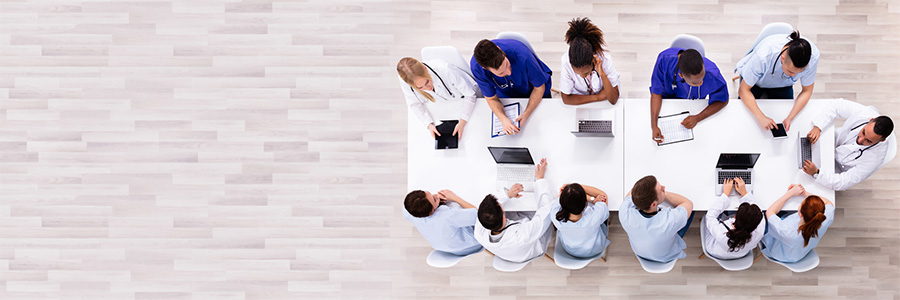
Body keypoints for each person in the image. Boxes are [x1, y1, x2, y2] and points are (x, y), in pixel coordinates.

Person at [736, 30, 820, 131]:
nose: (795, 76)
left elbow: (807, 91)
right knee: (744, 119)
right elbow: (743, 90)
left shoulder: (813, 57)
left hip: (783, 85)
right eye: (790, 71)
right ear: (782, 58)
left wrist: (790, 118)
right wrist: (761, 117)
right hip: (756, 83)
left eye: (800, 72)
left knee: (784, 114)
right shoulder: (764, 55)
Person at [803, 99, 894, 191]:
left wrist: (816, 173)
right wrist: (818, 126)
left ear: (882, 140)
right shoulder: (865, 113)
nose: (860, 139)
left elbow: (843, 182)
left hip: (838, 166)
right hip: (833, 140)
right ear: (870, 120)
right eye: (863, 132)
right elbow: (837, 106)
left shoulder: (874, 159)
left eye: (868, 141)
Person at [475, 158, 553, 263]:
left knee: (518, 209)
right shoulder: (522, 236)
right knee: (546, 209)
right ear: (503, 216)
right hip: (532, 247)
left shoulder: (479, 231)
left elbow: (484, 207)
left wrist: (507, 194)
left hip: (510, 251)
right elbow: (545, 212)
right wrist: (539, 179)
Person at [471, 39, 553, 135]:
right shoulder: (477, 68)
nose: (508, 72)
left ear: (500, 50)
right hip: (508, 94)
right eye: (501, 73)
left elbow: (539, 87)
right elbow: (492, 98)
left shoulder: (523, 56)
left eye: (506, 64)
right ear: (484, 68)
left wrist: (526, 114)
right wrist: (503, 119)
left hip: (535, 90)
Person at [649, 48, 729, 143]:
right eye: (695, 83)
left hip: (694, 107)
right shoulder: (664, 60)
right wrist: (654, 126)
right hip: (667, 105)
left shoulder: (712, 73)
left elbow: (723, 100)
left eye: (702, 76)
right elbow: (656, 93)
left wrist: (698, 118)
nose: (701, 83)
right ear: (681, 76)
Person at [397, 57, 478, 139]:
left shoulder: (445, 69)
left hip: (464, 99)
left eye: (427, 82)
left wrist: (462, 122)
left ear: (425, 69)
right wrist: (429, 124)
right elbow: (414, 104)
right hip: (444, 106)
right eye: (420, 87)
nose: (428, 88)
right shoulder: (405, 80)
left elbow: (470, 95)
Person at [619, 175, 695, 262]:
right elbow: (688, 203)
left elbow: (632, 193)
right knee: (691, 211)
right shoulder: (669, 221)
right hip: (666, 256)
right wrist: (662, 196)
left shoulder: (624, 213)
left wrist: (655, 195)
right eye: (661, 189)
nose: (664, 187)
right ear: (653, 204)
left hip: (640, 253)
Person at [761, 184, 835, 263]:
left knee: (762, 213)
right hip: (800, 253)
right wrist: (804, 193)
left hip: (780, 254)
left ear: (800, 214)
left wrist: (790, 193)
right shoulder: (825, 217)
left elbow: (770, 212)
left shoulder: (786, 230)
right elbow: (828, 202)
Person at [559, 17, 620, 105]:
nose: (582, 77)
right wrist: (597, 97)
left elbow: (613, 99)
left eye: (586, 73)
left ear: (593, 60)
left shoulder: (605, 59)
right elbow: (566, 99)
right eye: (577, 74)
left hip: (597, 102)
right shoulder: (566, 61)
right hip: (584, 103)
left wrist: (602, 74)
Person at [402, 189, 482, 255]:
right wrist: (455, 198)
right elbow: (480, 216)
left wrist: (436, 203)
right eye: (434, 199)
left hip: (444, 250)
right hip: (471, 246)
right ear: (431, 212)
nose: (436, 195)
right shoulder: (447, 216)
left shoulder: (409, 211)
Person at [701, 178, 765, 259]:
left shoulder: (722, 234)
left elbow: (710, 216)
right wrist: (745, 193)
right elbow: (758, 211)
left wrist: (725, 194)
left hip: (717, 250)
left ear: (734, 217)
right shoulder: (760, 230)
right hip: (741, 254)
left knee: (717, 213)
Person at [551, 182, 610, 258]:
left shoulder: (555, 215)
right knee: (603, 216)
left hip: (570, 250)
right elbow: (603, 195)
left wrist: (570, 190)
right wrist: (590, 198)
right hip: (595, 249)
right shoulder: (594, 217)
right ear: (585, 204)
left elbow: (560, 197)